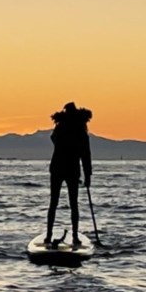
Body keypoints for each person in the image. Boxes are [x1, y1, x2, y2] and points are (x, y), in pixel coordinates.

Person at [45, 102, 93, 248]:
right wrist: (88, 175)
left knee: (54, 202)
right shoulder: (80, 130)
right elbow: (86, 154)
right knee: (73, 204)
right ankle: (74, 236)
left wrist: (87, 174)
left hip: (59, 168)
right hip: (70, 169)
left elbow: (53, 139)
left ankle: (49, 235)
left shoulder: (60, 127)